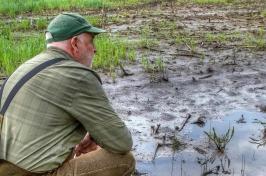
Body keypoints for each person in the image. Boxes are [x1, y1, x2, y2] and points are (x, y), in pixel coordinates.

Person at [0, 12, 135, 176]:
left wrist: (92, 134)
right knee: (124, 160)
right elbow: (122, 142)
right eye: (90, 41)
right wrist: (101, 137)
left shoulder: (27, 66)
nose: (94, 49)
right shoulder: (77, 76)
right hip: (30, 173)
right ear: (75, 43)